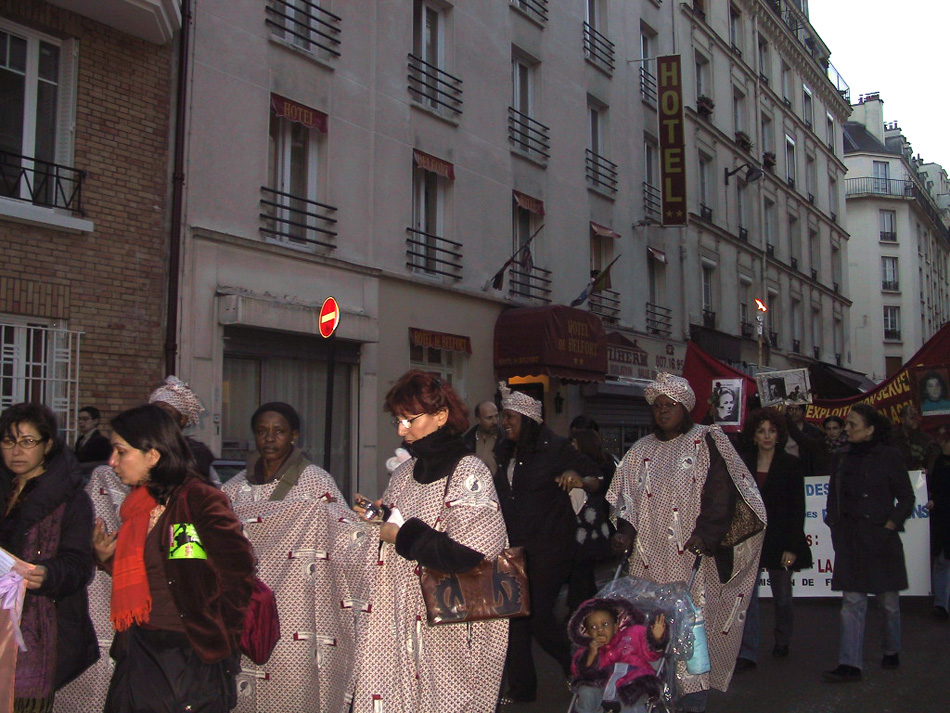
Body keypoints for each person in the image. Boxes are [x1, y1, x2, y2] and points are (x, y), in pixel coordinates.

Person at [607, 373, 766, 713]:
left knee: (692, 631)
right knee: (647, 631)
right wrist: (624, 533)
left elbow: (721, 494)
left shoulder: (706, 440)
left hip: (690, 558)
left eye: (671, 406)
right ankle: (650, 695)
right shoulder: (640, 450)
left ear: (686, 408)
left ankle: (693, 702)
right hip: (647, 561)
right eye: (658, 406)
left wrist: (707, 535)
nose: (663, 412)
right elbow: (627, 499)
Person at [350, 371, 508, 713]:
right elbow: (403, 522)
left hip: (449, 622)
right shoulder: (407, 471)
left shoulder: (469, 471)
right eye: (398, 420)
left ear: (441, 416)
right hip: (401, 615)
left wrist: (402, 535)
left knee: (444, 700)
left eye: (409, 420)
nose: (401, 430)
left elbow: (470, 552)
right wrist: (380, 517)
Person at [92, 404, 255, 711]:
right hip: (140, 647)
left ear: (152, 455)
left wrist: (220, 637)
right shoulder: (140, 503)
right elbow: (154, 569)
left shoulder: (196, 499)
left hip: (188, 654)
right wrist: (107, 558)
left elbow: (237, 572)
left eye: (121, 451)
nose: (112, 461)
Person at [221, 402, 369, 711]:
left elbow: (343, 532)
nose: (269, 439)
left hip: (297, 605)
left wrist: (379, 533)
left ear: (294, 436)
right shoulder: (235, 488)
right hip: (246, 606)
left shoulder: (314, 481)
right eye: (262, 432)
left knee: (293, 684)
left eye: (278, 431)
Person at [493, 384, 603, 704]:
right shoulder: (505, 449)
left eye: (511, 417)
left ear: (528, 419)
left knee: (540, 616)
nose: (505, 423)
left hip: (550, 548)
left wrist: (579, 479)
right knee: (515, 620)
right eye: (504, 417)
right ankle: (523, 689)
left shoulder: (555, 448)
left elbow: (596, 477)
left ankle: (577, 665)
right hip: (514, 546)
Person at [0, 403, 98, 712]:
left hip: (37, 624)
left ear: (48, 445)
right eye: (8, 441)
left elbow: (80, 564)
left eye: (27, 441)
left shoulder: (69, 497)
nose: (16, 450)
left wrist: (48, 573)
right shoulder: (4, 487)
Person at [822, 403, 915, 683]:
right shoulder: (841, 457)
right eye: (847, 424)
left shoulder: (891, 457)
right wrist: (834, 524)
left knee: (888, 602)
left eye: (852, 424)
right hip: (851, 539)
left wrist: (889, 525)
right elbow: (833, 495)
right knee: (852, 602)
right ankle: (850, 663)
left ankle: (891, 649)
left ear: (871, 429)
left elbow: (907, 498)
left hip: (881, 540)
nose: (847, 428)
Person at [736, 409, 812, 670]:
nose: (767, 436)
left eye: (771, 430)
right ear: (753, 435)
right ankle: (748, 651)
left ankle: (782, 639)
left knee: (782, 595)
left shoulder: (791, 464)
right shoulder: (743, 463)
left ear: (779, 434)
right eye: (761, 431)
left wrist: (792, 546)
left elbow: (797, 508)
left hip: (782, 539)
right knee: (748, 598)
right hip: (752, 538)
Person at [568, 598, 667, 713]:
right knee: (586, 693)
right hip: (602, 683)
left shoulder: (633, 634)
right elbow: (579, 672)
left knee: (632, 700)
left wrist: (655, 639)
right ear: (587, 632)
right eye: (593, 627)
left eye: (605, 624)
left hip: (632, 680)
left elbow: (651, 655)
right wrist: (591, 653)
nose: (600, 629)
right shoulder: (588, 648)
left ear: (615, 627)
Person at [565, 428, 616, 613]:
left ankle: (580, 610)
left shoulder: (593, 468)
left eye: (575, 442)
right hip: (588, 529)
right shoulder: (581, 465)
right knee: (583, 574)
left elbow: (599, 487)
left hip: (587, 529)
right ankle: (586, 608)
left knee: (581, 572)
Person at [148, 375, 217, 478]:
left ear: (182, 420)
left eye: (167, 412)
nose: (159, 416)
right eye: (155, 411)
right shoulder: (139, 445)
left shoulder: (195, 453)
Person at [927, 425, 950, 620]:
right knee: (941, 561)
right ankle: (941, 603)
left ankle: (942, 602)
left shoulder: (939, 461)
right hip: (942, 519)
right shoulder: (938, 461)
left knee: (942, 562)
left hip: (943, 515)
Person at [890, 404, 938, 473]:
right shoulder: (892, 437)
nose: (915, 420)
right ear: (903, 419)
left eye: (917, 417)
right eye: (912, 418)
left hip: (920, 479)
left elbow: (931, 461)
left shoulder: (927, 440)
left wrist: (927, 470)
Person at [784, 403, 826, 478]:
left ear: (804, 412)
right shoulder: (780, 431)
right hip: (785, 473)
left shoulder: (814, 432)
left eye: (798, 409)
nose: (794, 412)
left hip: (806, 474)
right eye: (791, 409)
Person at [463, 400, 501, 475]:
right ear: (478, 420)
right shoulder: (467, 441)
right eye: (489, 418)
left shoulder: (504, 439)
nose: (495, 421)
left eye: (496, 416)